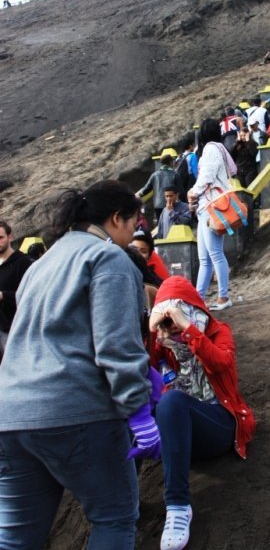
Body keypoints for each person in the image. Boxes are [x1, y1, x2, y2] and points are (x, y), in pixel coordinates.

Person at [0, 180, 161, 550]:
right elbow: (117, 345)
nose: (134, 232)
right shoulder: (108, 259)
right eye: (134, 223)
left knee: (15, 538)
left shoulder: (40, 265)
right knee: (115, 517)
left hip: (10, 417)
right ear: (116, 218)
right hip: (75, 411)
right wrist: (138, 412)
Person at [149, 276, 256, 550]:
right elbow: (140, 368)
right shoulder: (163, 343)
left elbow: (222, 363)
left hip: (218, 423)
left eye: (176, 315)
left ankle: (178, 506)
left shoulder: (218, 332)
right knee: (147, 407)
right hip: (182, 431)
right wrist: (151, 333)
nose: (170, 327)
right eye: (167, 319)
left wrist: (188, 329)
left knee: (172, 401)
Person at [187, 119, 237, 311]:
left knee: (213, 255)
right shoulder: (221, 148)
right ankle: (198, 299)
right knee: (206, 258)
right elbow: (232, 170)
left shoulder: (210, 149)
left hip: (211, 207)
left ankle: (223, 297)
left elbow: (206, 177)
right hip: (208, 207)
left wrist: (192, 191)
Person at [0, 220, 32, 361]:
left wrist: (3, 296)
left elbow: (31, 296)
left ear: (10, 237)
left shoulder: (23, 262)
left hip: (14, 330)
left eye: (0, 237)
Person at [137, 152, 184, 221]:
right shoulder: (175, 174)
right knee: (171, 223)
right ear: (171, 162)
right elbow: (181, 191)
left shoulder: (154, 175)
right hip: (171, 204)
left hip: (158, 205)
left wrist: (139, 195)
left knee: (160, 224)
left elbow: (147, 188)